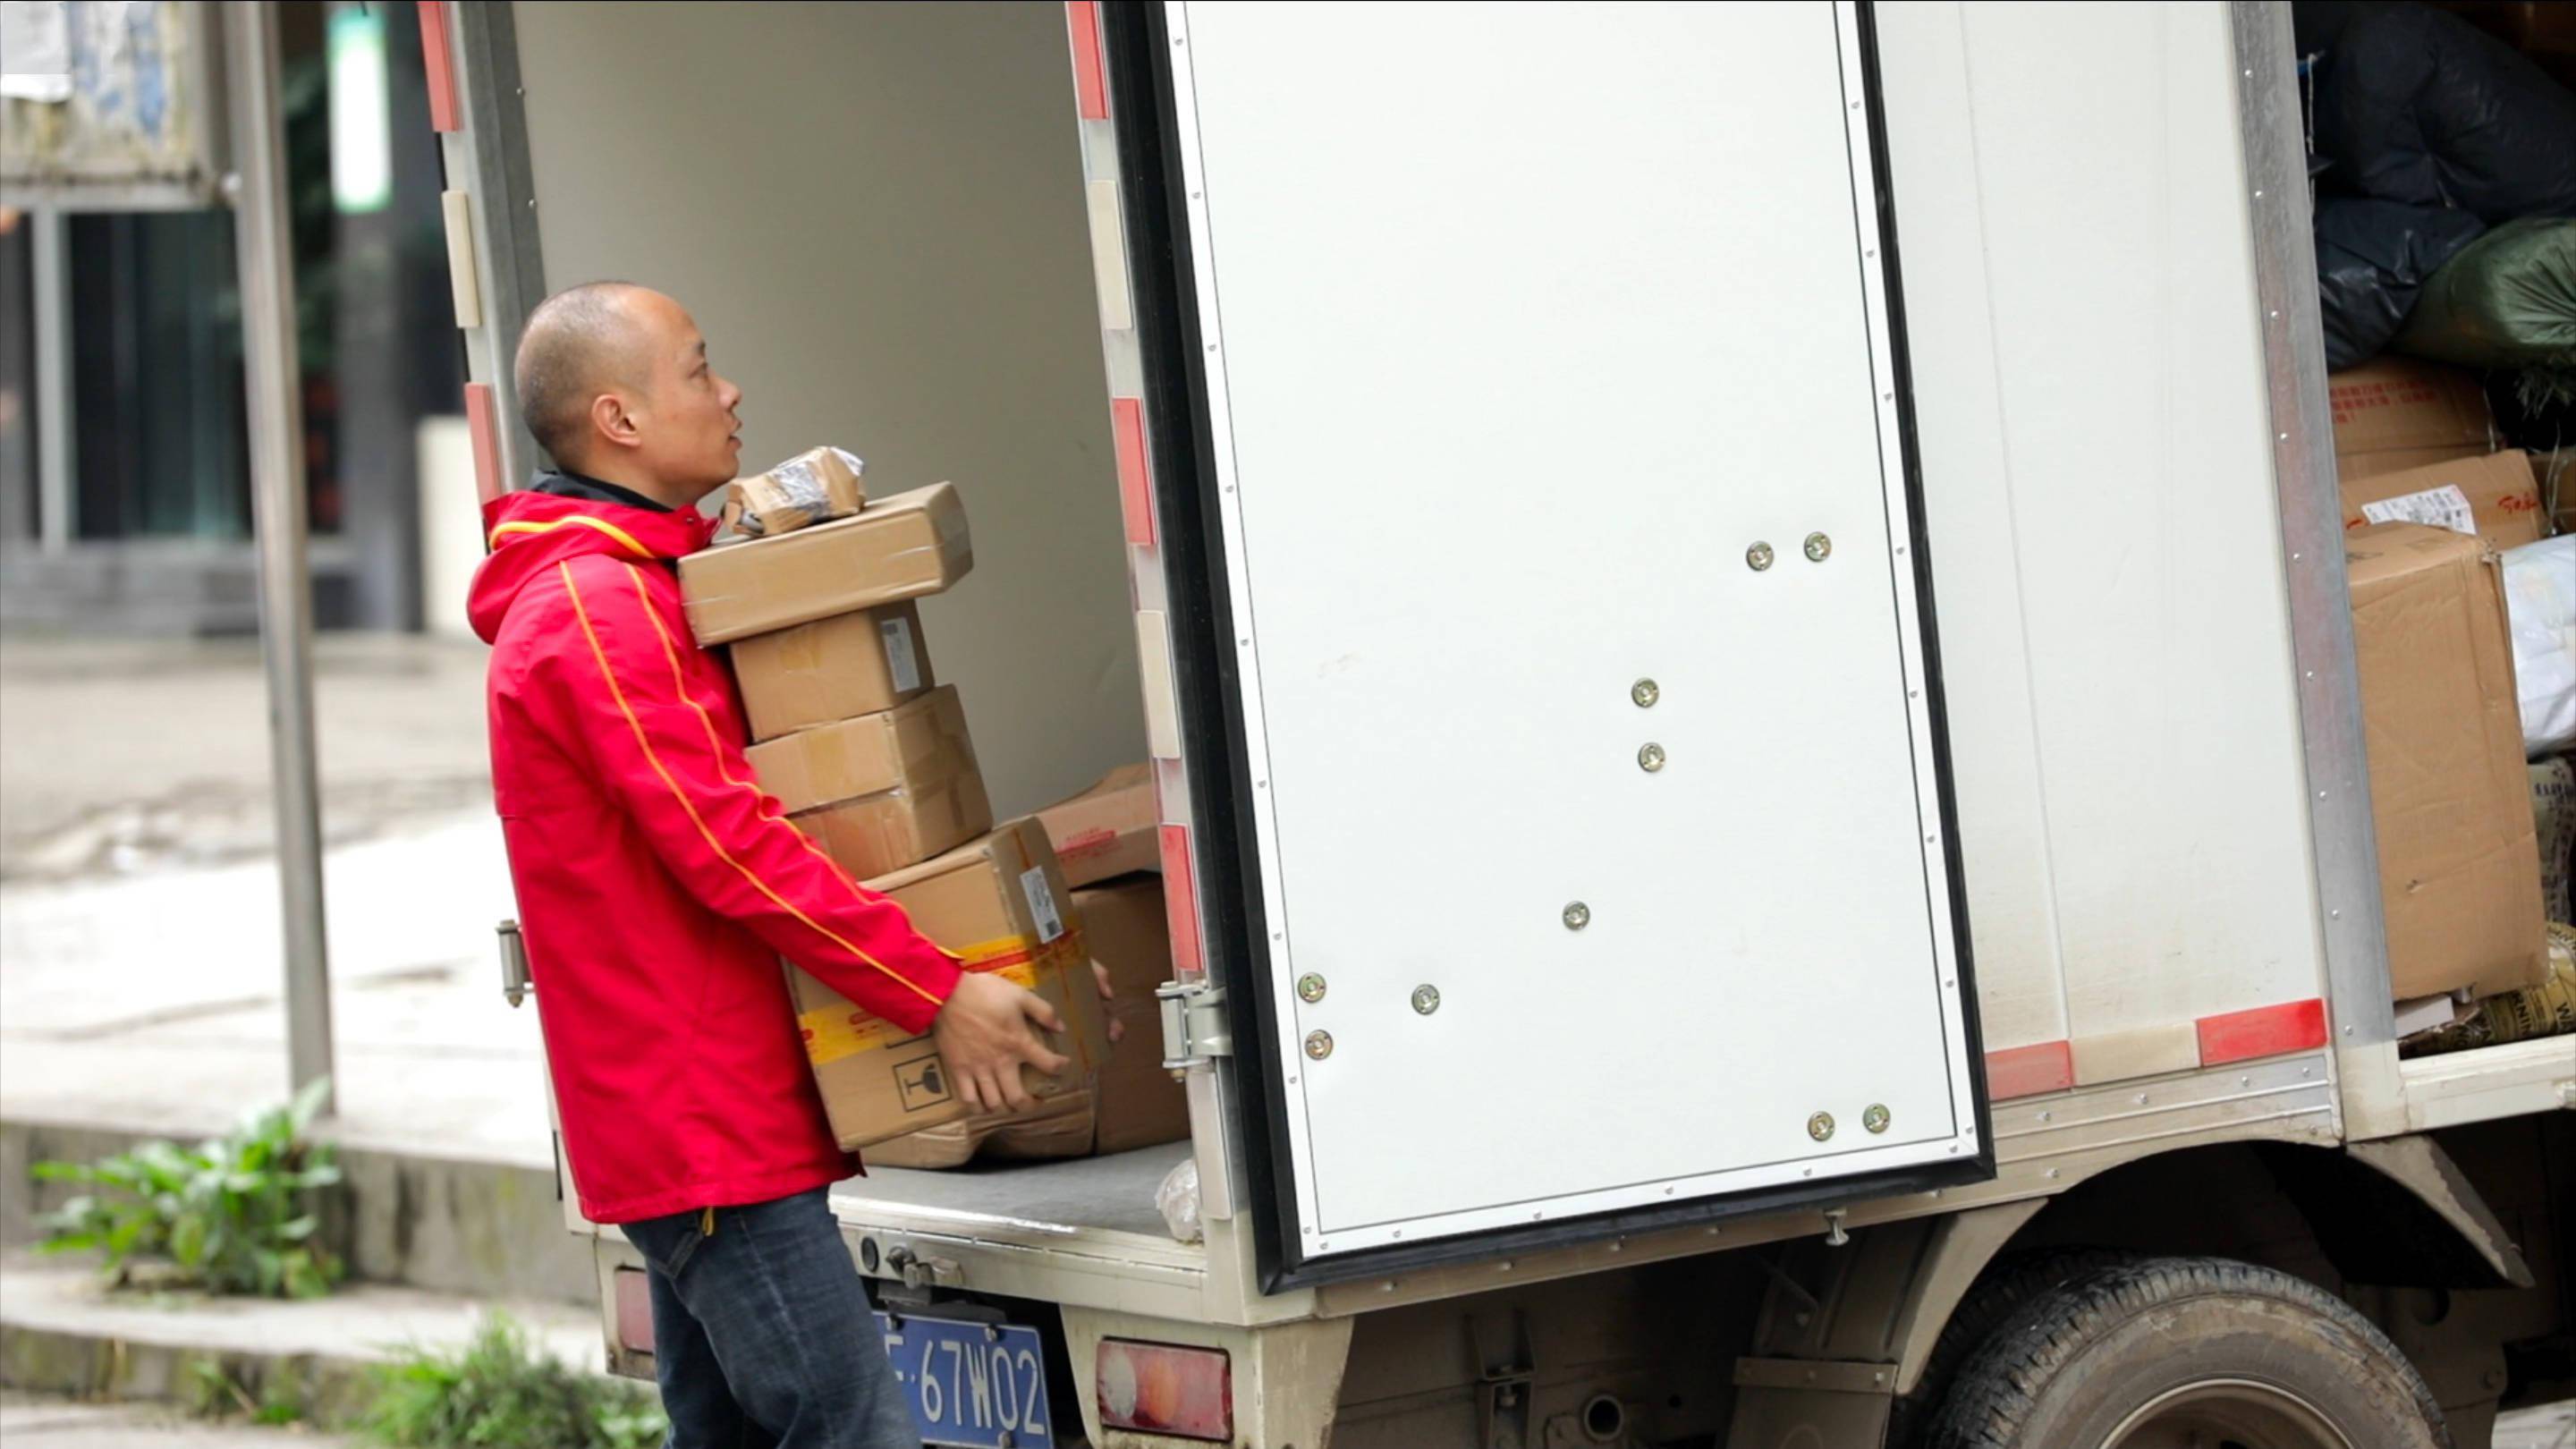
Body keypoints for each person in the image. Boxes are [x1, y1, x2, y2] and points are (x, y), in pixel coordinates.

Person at [469, 281, 1068, 1446]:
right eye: (698, 369)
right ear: (620, 420)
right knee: (852, 1428)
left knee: (730, 1432)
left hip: (707, 1119)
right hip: (705, 1127)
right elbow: (729, 848)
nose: (729, 389)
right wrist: (935, 993)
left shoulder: (637, 586)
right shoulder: (596, 614)